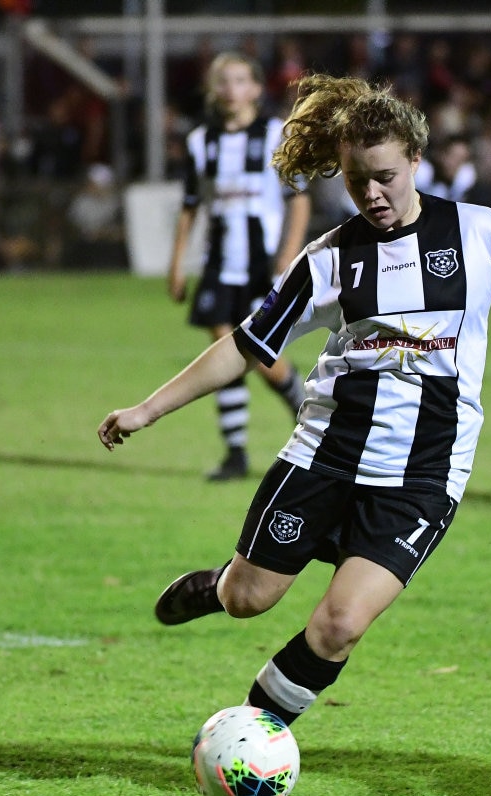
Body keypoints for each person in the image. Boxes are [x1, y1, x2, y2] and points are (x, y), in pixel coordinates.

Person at [98, 74, 491, 737]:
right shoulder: (329, 259)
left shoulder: (478, 233)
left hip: (421, 477)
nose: (372, 193)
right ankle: (216, 586)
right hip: (322, 457)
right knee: (250, 599)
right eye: (356, 179)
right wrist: (147, 410)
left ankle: (249, 741)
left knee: (338, 625)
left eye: (386, 176)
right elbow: (246, 345)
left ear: (418, 161)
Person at [167, 52, 312, 482]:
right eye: (222, 81)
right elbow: (190, 207)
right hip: (218, 264)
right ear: (214, 91)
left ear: (254, 88)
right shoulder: (199, 142)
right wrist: (177, 265)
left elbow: (298, 199)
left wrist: (288, 254)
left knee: (264, 362)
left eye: (240, 80)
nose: (231, 88)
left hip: (260, 264)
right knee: (220, 351)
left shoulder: (274, 136)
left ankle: (304, 411)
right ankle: (235, 453)